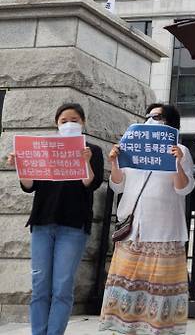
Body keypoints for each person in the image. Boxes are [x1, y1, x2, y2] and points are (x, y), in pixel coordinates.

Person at [6, 103, 104, 335]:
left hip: (73, 225)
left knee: (62, 287)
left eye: (74, 120)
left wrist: (85, 161)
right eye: (64, 120)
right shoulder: (44, 148)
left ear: (83, 123)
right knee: (40, 286)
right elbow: (29, 186)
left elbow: (91, 183)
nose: (69, 124)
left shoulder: (92, 150)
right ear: (56, 124)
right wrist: (21, 166)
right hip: (42, 223)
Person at [99, 103, 195, 335]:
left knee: (159, 295)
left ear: (170, 123)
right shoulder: (132, 147)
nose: (152, 119)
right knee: (127, 292)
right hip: (133, 233)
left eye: (158, 116)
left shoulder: (179, 149)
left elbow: (185, 188)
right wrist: (114, 162)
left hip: (164, 233)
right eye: (149, 116)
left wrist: (177, 163)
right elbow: (117, 184)